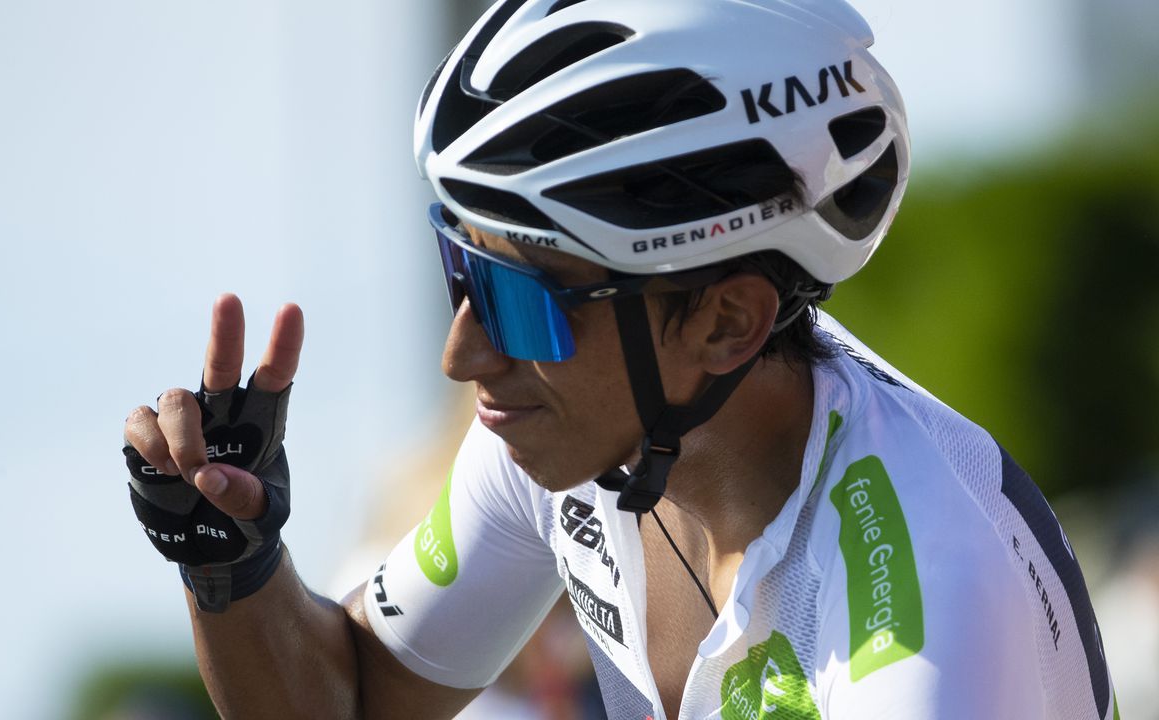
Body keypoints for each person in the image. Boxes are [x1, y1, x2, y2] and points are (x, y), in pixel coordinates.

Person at [122, 0, 1120, 717]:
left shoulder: (920, 624)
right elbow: (351, 700)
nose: (461, 353)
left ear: (725, 322)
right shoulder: (586, 443)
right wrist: (233, 566)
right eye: (458, 273)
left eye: (517, 300)